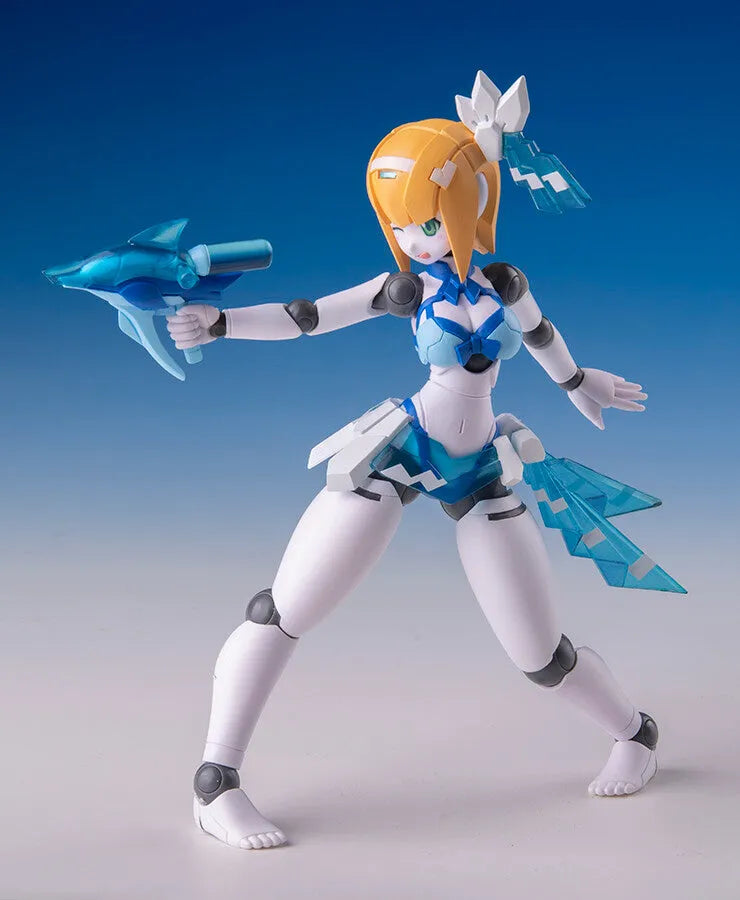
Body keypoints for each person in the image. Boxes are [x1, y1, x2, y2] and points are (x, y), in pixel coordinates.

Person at [167, 72, 678, 851]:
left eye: (426, 222)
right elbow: (309, 317)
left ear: (469, 207)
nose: (412, 238)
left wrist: (579, 382)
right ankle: (217, 782)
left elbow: (540, 334)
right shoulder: (404, 288)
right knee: (284, 610)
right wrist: (221, 324)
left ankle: (636, 735)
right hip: (403, 450)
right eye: (399, 224)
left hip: (482, 466)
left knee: (537, 653)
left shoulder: (504, 282)